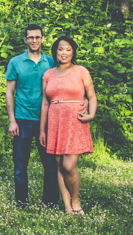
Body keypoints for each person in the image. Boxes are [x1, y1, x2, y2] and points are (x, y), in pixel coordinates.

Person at [40, 35, 97, 215]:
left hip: (75, 122)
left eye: (68, 49)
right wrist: (42, 130)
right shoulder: (48, 74)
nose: (64, 53)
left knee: (68, 166)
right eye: (60, 49)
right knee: (58, 166)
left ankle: (76, 200)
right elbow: (44, 103)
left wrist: (91, 114)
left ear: (73, 52)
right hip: (55, 123)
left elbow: (92, 96)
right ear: (55, 52)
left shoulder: (81, 71)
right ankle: (67, 206)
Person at [5, 24, 60, 207]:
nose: (34, 40)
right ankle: (21, 201)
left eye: (38, 37)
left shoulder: (52, 62)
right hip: (22, 119)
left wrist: (83, 100)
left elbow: (66, 83)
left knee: (51, 165)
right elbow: (9, 92)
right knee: (21, 165)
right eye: (31, 37)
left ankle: (49, 202)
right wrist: (12, 121)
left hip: (47, 120)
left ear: (43, 39)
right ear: (25, 40)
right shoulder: (16, 62)